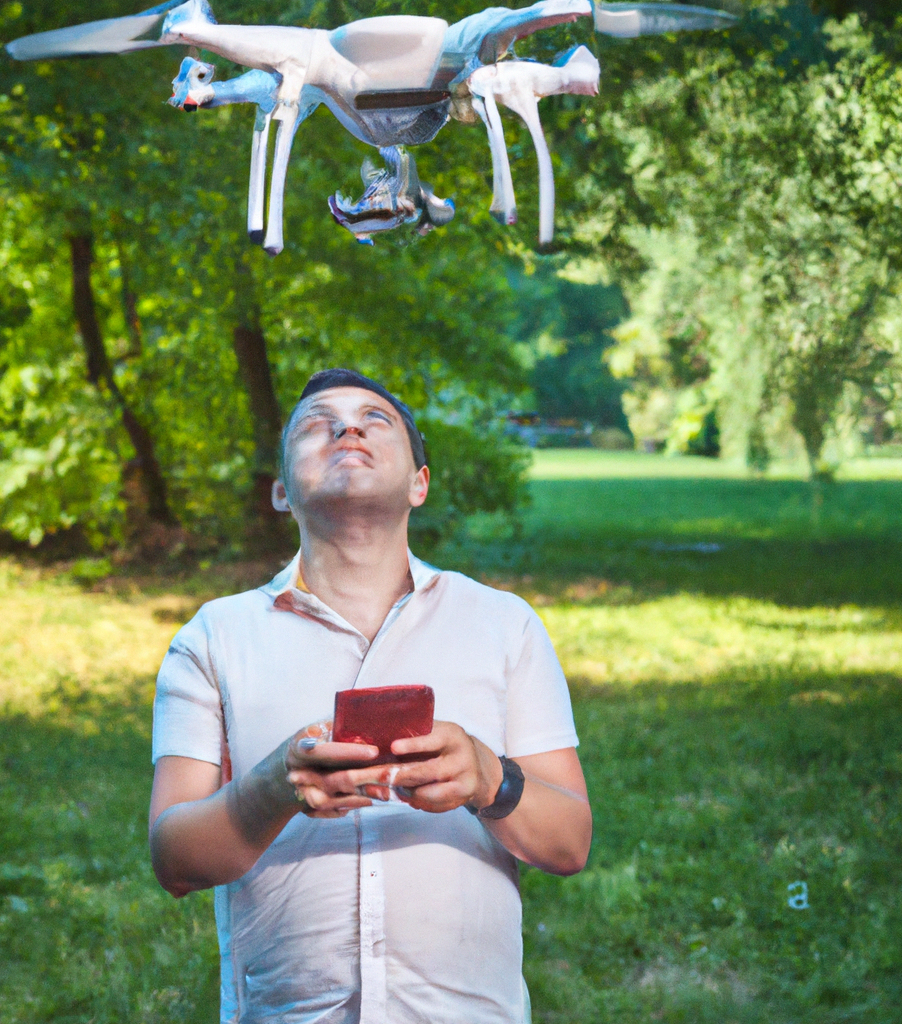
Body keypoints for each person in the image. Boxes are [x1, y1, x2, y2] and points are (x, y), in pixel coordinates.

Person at [149, 368, 592, 1024]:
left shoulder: (505, 623)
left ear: (420, 483)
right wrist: (271, 788)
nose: (347, 426)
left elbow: (570, 843)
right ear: (280, 491)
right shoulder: (212, 638)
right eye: (315, 423)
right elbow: (174, 859)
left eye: (373, 419)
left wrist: (486, 776)